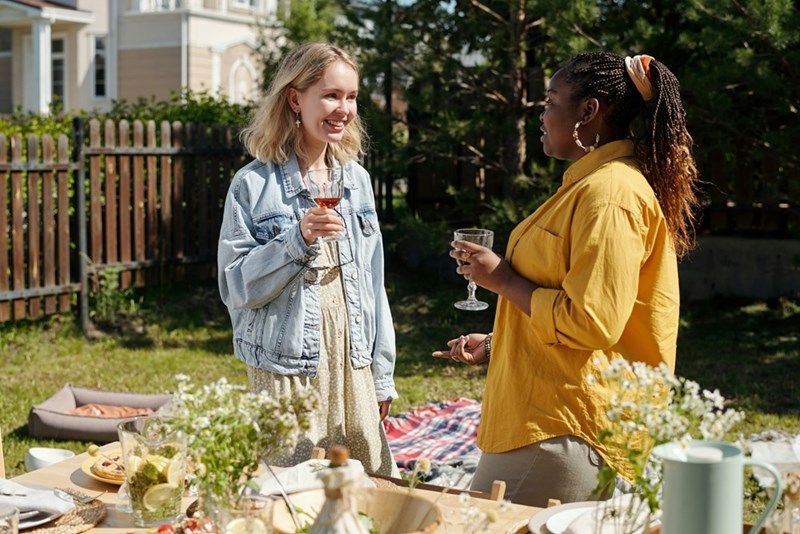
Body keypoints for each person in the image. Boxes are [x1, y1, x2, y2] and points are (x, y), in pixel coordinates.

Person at [433, 51, 700, 506]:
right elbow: (570, 302)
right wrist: (500, 342)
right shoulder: (588, 186)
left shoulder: (610, 195)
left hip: (561, 430)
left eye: (551, 101)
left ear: (588, 111)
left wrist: (501, 280)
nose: (542, 114)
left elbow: (593, 321)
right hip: (545, 419)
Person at [218, 42, 400, 477]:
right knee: (289, 492)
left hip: (351, 354)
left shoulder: (356, 180)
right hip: (287, 364)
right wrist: (296, 239)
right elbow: (236, 287)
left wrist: (381, 372)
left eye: (351, 97)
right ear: (295, 98)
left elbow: (374, 283)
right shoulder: (252, 185)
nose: (344, 109)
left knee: (364, 486)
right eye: (331, 95)